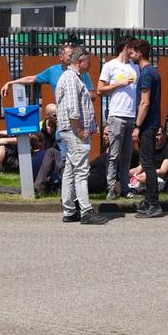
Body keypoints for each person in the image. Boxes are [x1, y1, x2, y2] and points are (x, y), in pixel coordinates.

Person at [56, 47, 107, 225]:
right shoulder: (71, 78)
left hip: (71, 130)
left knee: (70, 170)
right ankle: (85, 211)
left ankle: (69, 210)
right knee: (81, 171)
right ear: (79, 62)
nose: (90, 64)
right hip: (74, 131)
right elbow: (72, 108)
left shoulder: (74, 78)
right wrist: (79, 129)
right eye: (88, 61)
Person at [97, 37, 140, 200]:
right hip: (116, 114)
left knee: (127, 154)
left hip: (131, 115)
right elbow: (100, 89)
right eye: (132, 49)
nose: (134, 52)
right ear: (126, 47)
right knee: (114, 154)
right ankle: (110, 187)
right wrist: (119, 84)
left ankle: (125, 187)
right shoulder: (110, 65)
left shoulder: (135, 67)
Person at [133, 39, 166, 218]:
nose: (130, 54)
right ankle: (148, 201)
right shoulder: (152, 72)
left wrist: (137, 126)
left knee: (147, 164)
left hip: (147, 125)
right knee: (148, 162)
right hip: (152, 124)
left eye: (132, 52)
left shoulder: (146, 73)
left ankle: (153, 203)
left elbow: (144, 102)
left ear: (140, 53)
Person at [0, 42, 93, 103]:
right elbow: (32, 79)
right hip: (62, 114)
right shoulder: (53, 71)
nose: (73, 57)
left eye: (73, 55)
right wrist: (10, 83)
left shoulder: (82, 72)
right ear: (61, 57)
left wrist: (81, 95)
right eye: (70, 55)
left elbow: (93, 95)